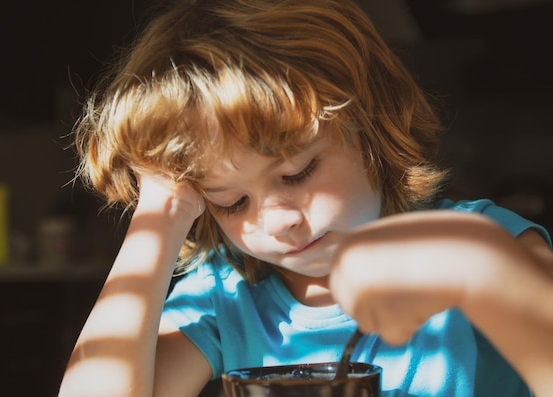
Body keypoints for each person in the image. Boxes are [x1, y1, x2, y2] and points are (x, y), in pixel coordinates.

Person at [57, 0, 553, 396]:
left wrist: (487, 277)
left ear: (371, 126)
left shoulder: (486, 244)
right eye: (231, 202)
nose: (276, 221)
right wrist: (161, 211)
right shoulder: (224, 297)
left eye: (297, 172)